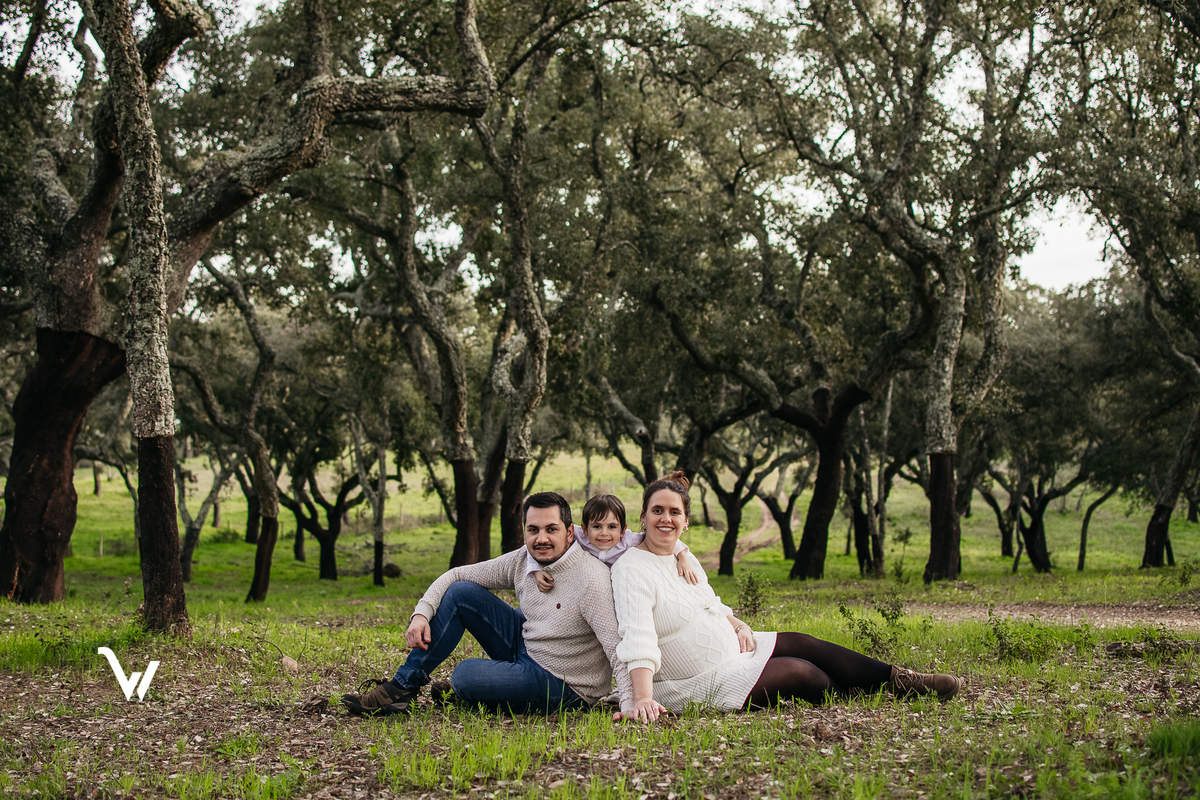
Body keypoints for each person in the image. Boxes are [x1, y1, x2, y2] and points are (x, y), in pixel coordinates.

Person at [610, 470, 963, 722]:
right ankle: (864, 692)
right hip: (697, 683)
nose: (665, 519)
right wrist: (642, 698)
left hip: (736, 653)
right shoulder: (631, 569)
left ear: (686, 521)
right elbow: (637, 638)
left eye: (675, 512)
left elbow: (709, 602)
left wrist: (738, 624)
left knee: (803, 641)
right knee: (800, 671)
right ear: (643, 516)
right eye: (658, 511)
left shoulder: (681, 554)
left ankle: (902, 681)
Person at [341, 491, 633, 716]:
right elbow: (457, 574)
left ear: (570, 533)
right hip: (528, 646)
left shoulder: (591, 579)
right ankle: (402, 687)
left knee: (464, 675)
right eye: (533, 530)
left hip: (564, 682)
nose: (541, 538)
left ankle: (480, 693)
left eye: (551, 529)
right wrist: (421, 613)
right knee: (460, 593)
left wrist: (632, 700)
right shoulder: (524, 560)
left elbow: (616, 646)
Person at [528, 493, 702, 592]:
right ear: (585, 528)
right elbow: (540, 540)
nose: (604, 534)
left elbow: (659, 539)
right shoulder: (577, 535)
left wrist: (682, 556)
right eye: (597, 526)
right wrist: (535, 568)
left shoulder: (629, 540)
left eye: (612, 527)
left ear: (623, 529)